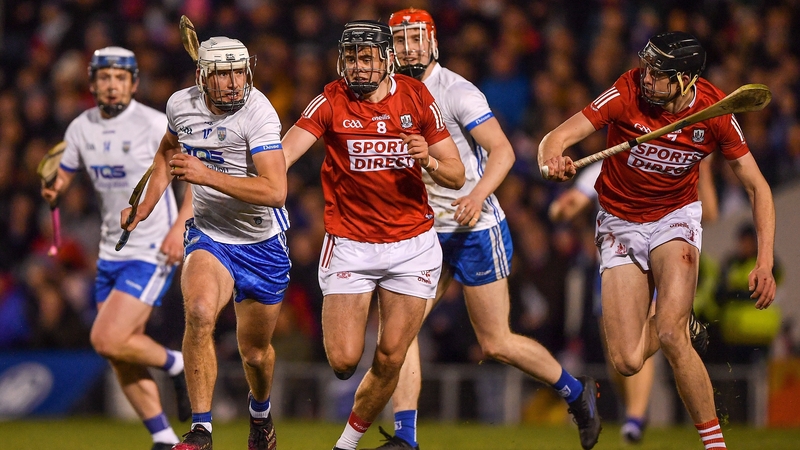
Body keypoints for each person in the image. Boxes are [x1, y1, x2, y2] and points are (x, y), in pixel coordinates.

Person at [365, 8, 603, 450]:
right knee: (398, 335)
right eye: (400, 41)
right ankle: (406, 437)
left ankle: (576, 390)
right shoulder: (386, 91)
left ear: (432, 42)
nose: (408, 48)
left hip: (475, 226)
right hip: (423, 231)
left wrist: (476, 197)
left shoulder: (456, 90)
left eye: (416, 38)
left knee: (495, 343)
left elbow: (504, 151)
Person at [539, 31, 777, 450]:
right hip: (618, 221)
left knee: (669, 333)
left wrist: (764, 260)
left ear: (685, 80)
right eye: (647, 68)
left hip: (675, 218)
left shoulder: (715, 111)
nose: (647, 78)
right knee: (628, 361)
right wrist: (552, 162)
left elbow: (758, 187)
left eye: (659, 73)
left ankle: (714, 444)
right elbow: (554, 139)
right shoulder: (625, 91)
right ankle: (683, 322)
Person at [280, 20, 465, 450]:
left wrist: (429, 160)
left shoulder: (416, 96)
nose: (358, 68)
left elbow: (455, 174)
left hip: (412, 247)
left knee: (391, 357)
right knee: (344, 360)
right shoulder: (330, 99)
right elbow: (284, 155)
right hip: (351, 244)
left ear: (386, 60)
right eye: (351, 59)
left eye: (367, 58)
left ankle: (344, 445)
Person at [120, 36, 291, 450]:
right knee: (198, 312)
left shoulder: (259, 112)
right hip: (210, 233)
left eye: (239, 72)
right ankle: (201, 431)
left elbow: (276, 191)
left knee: (255, 353)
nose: (234, 83)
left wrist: (205, 175)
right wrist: (144, 206)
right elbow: (167, 151)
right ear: (203, 78)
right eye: (223, 74)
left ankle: (260, 414)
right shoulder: (181, 105)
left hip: (261, 241)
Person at [41, 46, 192, 450]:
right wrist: (54, 189)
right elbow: (64, 177)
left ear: (134, 83)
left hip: (151, 249)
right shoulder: (80, 128)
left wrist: (180, 227)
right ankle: (163, 438)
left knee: (106, 338)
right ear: (92, 83)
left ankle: (176, 364)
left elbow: (192, 177)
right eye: (104, 78)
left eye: (120, 78)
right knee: (120, 351)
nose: (112, 85)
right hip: (110, 252)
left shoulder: (156, 123)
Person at [549, 157, 718, 444]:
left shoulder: (671, 156)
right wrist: (559, 207)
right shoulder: (604, 164)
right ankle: (678, 320)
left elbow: (710, 213)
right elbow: (567, 208)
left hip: (657, 255)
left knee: (653, 334)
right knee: (622, 357)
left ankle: (635, 418)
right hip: (617, 260)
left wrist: (706, 169)